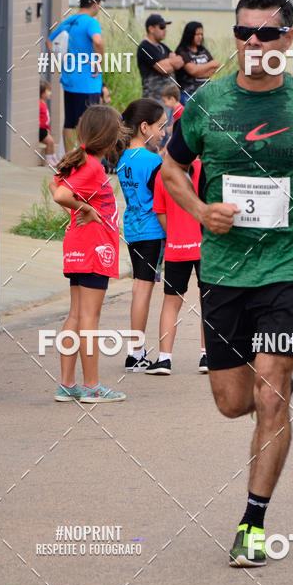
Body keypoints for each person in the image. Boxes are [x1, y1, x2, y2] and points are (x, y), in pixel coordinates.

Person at [161, 0, 293, 567]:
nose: (252, 43)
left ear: (287, 40)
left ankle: (253, 522)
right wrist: (200, 211)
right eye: (243, 33)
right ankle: (275, 389)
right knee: (230, 401)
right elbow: (170, 166)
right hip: (223, 268)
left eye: (266, 34)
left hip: (287, 266)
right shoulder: (206, 102)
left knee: (271, 393)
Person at [49, 105, 129, 402]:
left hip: (79, 247)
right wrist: (87, 209)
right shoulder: (93, 166)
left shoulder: (79, 162)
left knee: (76, 315)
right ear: (108, 139)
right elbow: (60, 194)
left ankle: (68, 385)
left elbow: (53, 184)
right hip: (95, 248)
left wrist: (83, 206)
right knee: (89, 319)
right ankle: (92, 386)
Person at [117, 98, 167, 372]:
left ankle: (137, 350)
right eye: (160, 126)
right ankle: (135, 353)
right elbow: (163, 197)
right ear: (145, 127)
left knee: (139, 286)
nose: (163, 132)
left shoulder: (123, 157)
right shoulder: (152, 160)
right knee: (142, 289)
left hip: (133, 228)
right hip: (151, 230)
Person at [147, 157, 206, 375]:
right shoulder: (207, 167)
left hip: (176, 246)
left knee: (171, 303)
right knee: (209, 300)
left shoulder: (165, 172)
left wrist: (173, 234)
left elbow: (160, 212)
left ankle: (164, 359)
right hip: (205, 246)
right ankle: (207, 355)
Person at [46, 0, 105, 152]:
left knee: (70, 122)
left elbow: (49, 42)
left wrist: (61, 60)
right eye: (99, 5)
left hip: (70, 79)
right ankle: (86, 158)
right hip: (87, 82)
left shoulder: (68, 21)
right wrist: (98, 63)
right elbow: (98, 42)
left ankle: (69, 158)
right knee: (90, 122)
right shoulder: (91, 22)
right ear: (94, 4)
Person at [136, 14, 183, 102]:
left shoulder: (163, 47)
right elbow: (163, 68)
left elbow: (180, 62)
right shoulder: (145, 47)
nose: (165, 30)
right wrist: (171, 62)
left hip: (170, 100)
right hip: (154, 100)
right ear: (151, 29)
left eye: (165, 27)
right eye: (162, 27)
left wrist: (168, 62)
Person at [174, 21, 220, 103]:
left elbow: (215, 67)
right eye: (197, 34)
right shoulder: (182, 51)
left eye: (201, 34)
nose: (200, 37)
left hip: (205, 93)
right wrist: (209, 65)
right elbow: (193, 70)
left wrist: (199, 71)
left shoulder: (203, 50)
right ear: (190, 34)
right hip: (188, 95)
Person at [39, 81, 57, 166]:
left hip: (45, 128)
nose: (50, 93)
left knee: (52, 142)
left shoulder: (43, 104)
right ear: (42, 93)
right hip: (41, 129)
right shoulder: (39, 104)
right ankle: (49, 159)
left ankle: (53, 158)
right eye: (48, 91)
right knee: (50, 142)